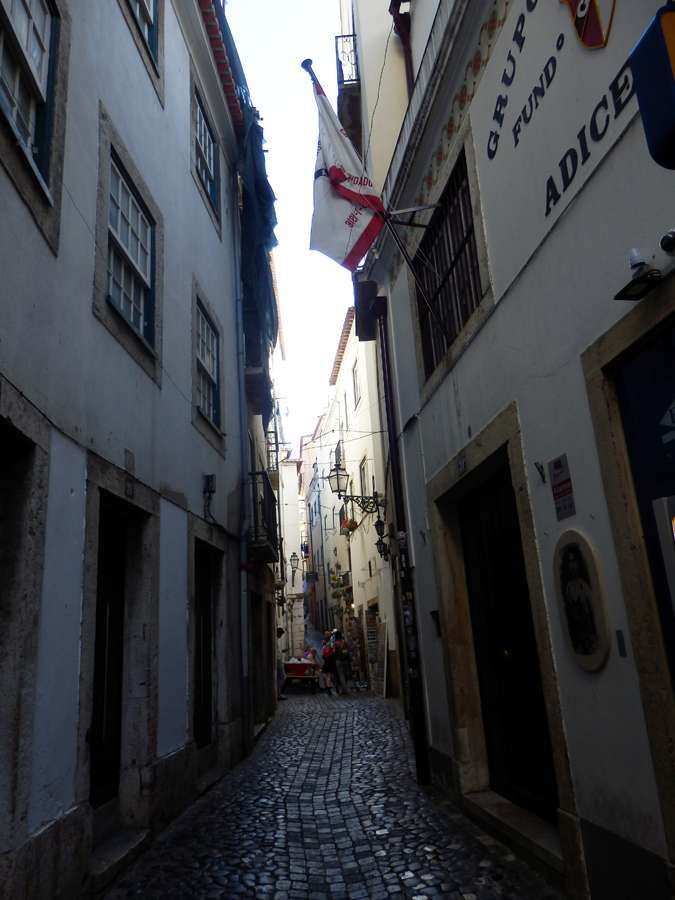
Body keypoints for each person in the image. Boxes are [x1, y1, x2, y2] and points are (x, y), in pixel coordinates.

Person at [332, 630, 350, 695]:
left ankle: (344, 690)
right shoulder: (344, 642)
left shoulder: (335, 643)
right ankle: (345, 688)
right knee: (344, 674)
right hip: (345, 660)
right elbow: (348, 650)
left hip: (338, 660)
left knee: (341, 675)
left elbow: (333, 651)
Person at [276, 627, 288, 700]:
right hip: (277, 659)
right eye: (281, 635)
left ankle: (278, 693)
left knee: (279, 677)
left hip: (278, 659)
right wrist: (282, 651)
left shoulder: (276, 639)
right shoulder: (275, 639)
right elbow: (276, 651)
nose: (281, 637)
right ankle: (277, 693)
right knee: (283, 677)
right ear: (278, 633)